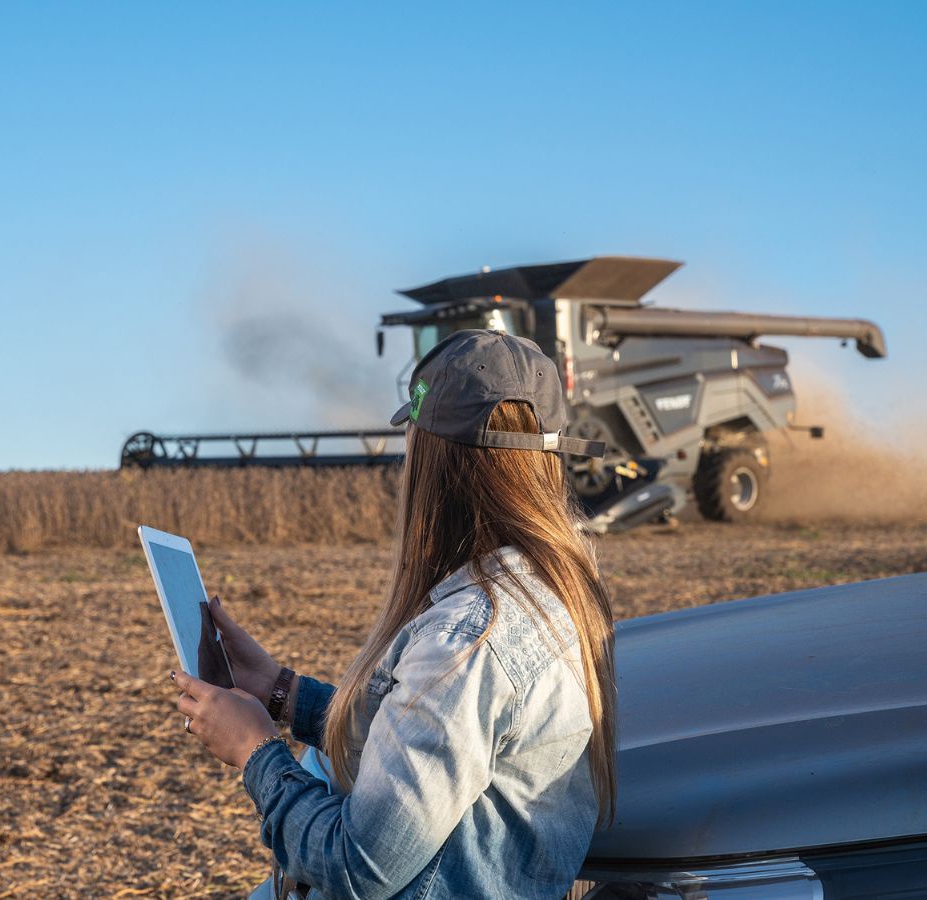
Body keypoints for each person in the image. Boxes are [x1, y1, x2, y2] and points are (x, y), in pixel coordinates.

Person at [173, 329, 618, 898]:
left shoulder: (469, 638)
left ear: (434, 465)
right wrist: (282, 692)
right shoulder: (557, 588)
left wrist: (256, 752)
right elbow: (434, 741)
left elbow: (357, 867)